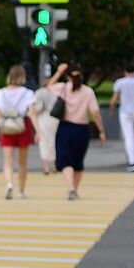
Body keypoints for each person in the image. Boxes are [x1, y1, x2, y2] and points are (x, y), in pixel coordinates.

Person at [46, 62, 106, 201]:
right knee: (78, 162)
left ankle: (71, 188)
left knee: (65, 160)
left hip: (65, 128)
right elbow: (95, 113)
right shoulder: (88, 91)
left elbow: (49, 86)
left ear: (68, 76)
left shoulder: (63, 88)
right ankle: (75, 189)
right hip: (82, 129)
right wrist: (101, 130)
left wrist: (59, 72)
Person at [0, 66, 41, 198]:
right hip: (22, 125)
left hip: (7, 126)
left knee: (8, 161)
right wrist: (38, 131)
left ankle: (9, 184)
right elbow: (32, 112)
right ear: (22, 77)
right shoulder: (28, 93)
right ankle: (21, 190)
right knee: (22, 162)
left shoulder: (1, 93)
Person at [109, 65, 134, 172]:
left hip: (125, 113)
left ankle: (132, 161)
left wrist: (112, 110)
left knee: (129, 137)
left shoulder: (120, 83)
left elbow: (114, 99)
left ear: (125, 71)